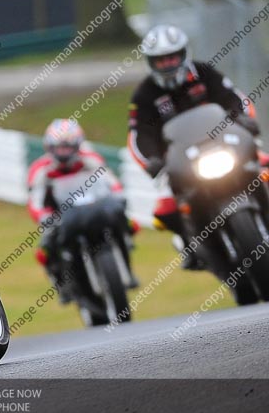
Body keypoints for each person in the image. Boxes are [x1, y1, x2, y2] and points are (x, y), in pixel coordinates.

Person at [128, 24, 264, 269]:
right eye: (160, 60)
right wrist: (152, 160)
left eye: (172, 57)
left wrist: (243, 119)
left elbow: (233, 98)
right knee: (167, 211)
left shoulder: (204, 73)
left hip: (224, 146)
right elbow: (140, 135)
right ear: (150, 62)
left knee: (262, 167)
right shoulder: (145, 94)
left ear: (183, 54)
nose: (167, 64)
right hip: (182, 162)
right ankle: (191, 245)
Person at [28, 119, 132, 301]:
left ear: (77, 145)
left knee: (127, 221)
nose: (64, 152)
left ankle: (126, 257)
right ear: (49, 147)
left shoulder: (90, 159)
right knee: (45, 250)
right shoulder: (41, 169)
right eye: (59, 147)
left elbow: (110, 181)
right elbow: (35, 200)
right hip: (60, 217)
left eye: (68, 147)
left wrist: (118, 195)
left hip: (92, 208)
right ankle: (61, 283)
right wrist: (44, 217)